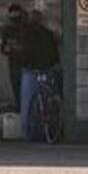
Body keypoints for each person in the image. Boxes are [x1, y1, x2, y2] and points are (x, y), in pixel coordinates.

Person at [18, 9, 61, 139]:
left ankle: (30, 131)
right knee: (48, 96)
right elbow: (54, 53)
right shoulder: (47, 33)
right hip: (47, 68)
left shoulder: (25, 34)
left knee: (29, 100)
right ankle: (48, 128)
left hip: (30, 70)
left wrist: (22, 63)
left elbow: (24, 52)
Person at [0, 4, 26, 108]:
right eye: (13, 15)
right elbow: (3, 48)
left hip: (27, 65)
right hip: (14, 64)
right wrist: (7, 49)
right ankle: (20, 110)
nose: (15, 18)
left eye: (17, 15)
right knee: (17, 89)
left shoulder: (27, 29)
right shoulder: (7, 30)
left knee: (27, 90)